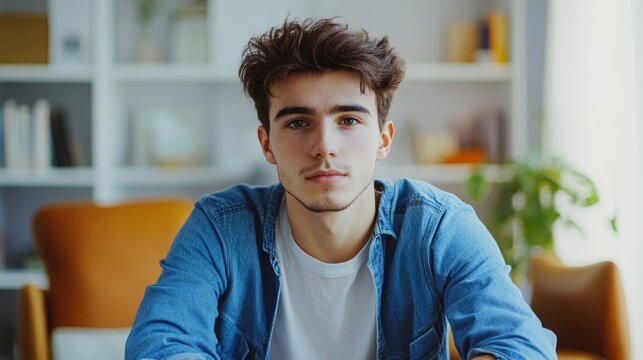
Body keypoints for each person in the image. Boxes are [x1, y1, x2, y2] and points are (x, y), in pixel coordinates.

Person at [126, 18, 556, 360]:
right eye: (297, 123)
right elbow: (159, 345)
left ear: (383, 139)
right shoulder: (219, 227)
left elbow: (520, 346)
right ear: (266, 144)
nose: (324, 147)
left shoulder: (439, 227)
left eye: (348, 121)